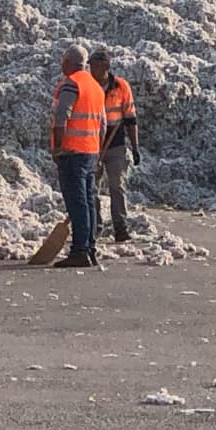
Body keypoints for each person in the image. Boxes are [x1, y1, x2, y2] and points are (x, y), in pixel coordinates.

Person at [48, 45, 106, 269]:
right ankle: (90, 248)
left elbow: (62, 116)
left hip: (72, 153)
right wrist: (98, 150)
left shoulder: (71, 84)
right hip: (90, 152)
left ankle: (80, 250)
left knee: (77, 202)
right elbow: (102, 125)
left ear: (67, 63)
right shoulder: (95, 87)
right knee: (89, 201)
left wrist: (59, 147)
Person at [88, 49, 140, 246]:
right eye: (90, 66)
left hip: (115, 143)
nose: (92, 70)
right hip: (93, 144)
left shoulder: (120, 86)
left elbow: (131, 118)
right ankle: (95, 227)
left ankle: (121, 227)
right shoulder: (88, 85)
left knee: (116, 186)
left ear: (106, 67)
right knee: (91, 189)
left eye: (96, 66)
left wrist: (135, 147)